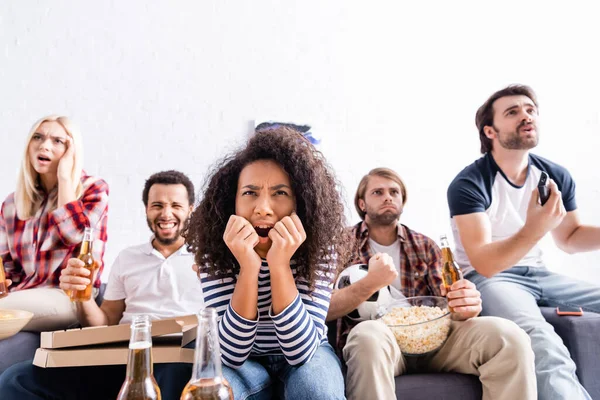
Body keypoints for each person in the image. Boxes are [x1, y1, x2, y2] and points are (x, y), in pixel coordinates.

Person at [328, 168, 536, 400]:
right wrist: (370, 283)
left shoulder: (425, 246)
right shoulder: (339, 246)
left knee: (509, 335)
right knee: (366, 336)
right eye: (378, 192)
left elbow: (449, 307)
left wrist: (466, 305)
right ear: (362, 204)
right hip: (382, 340)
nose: (388, 197)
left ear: (402, 201)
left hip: (431, 338)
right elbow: (321, 309)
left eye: (394, 192)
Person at [447, 84, 600, 399]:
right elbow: (485, 263)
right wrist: (535, 227)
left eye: (530, 110)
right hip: (492, 279)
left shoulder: (553, 174)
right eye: (512, 112)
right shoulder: (469, 183)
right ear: (490, 130)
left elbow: (569, 238)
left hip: (540, 275)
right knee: (540, 341)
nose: (526, 116)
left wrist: (539, 227)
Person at [0, 170, 204, 400]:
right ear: (146, 209)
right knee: (16, 378)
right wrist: (83, 297)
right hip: (123, 358)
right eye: (157, 205)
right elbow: (104, 321)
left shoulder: (207, 258)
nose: (166, 213)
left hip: (177, 358)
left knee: (174, 370)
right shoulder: (128, 258)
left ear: (191, 209)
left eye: (176, 205)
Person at [185, 126, 351, 400]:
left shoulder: (321, 245)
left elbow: (302, 351)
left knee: (316, 390)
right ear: (233, 201)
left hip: (309, 354)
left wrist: (279, 266)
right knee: (212, 394)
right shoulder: (213, 247)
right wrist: (249, 268)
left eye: (280, 193)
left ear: (301, 202)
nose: (263, 207)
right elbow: (230, 353)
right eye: (250, 193)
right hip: (243, 361)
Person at [0, 115, 109, 332]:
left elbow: (73, 235)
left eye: (58, 141)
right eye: (37, 137)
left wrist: (65, 178)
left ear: (72, 152)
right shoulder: (12, 203)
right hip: (23, 295)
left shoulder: (94, 189)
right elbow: (9, 270)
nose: (44, 146)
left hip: (69, 296)